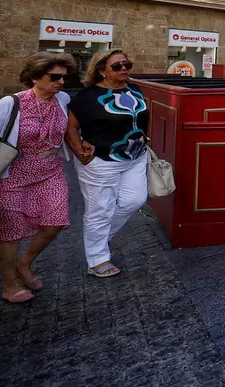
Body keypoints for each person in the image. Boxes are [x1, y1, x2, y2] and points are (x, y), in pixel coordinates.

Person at [0, 52, 76, 303]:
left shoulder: (62, 99)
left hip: (50, 171)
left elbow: (68, 130)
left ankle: (24, 264)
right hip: (11, 176)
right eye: (54, 77)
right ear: (35, 77)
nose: (60, 82)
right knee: (10, 232)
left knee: (55, 222)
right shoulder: (10, 104)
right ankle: (9, 285)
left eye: (64, 77)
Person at [65, 49, 150, 278]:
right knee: (99, 210)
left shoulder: (135, 89)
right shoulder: (87, 96)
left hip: (135, 158)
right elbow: (71, 127)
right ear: (102, 70)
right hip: (100, 161)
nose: (124, 69)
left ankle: (100, 239)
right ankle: (97, 259)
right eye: (117, 66)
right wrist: (79, 150)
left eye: (127, 64)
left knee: (135, 200)